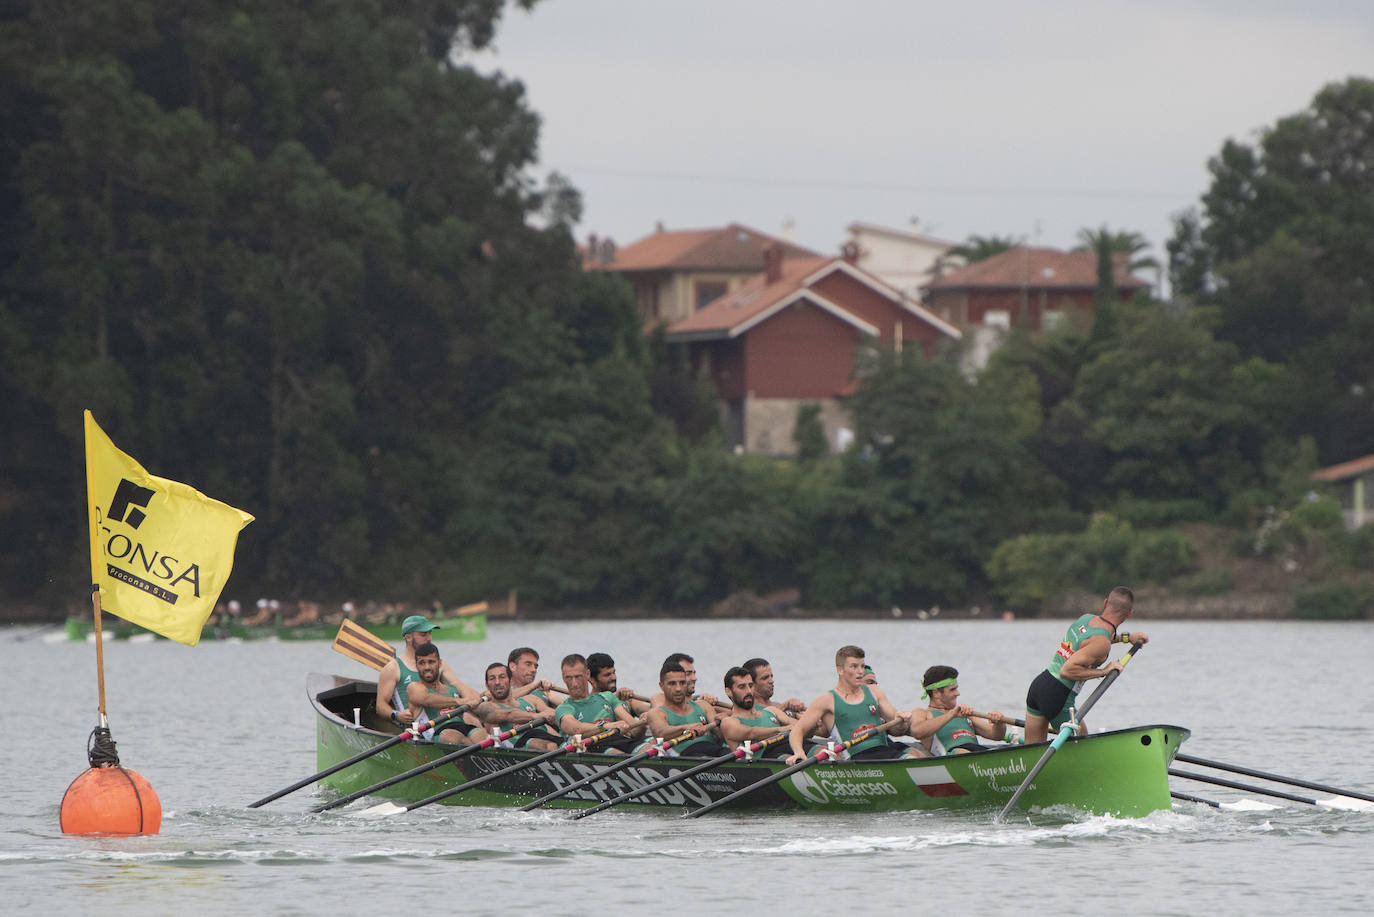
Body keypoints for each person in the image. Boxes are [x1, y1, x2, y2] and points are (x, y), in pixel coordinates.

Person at [1023, 586, 1149, 744]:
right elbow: (1066, 671)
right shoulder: (1102, 643)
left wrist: (1127, 637)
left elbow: (1096, 641)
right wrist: (1104, 671)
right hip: (1058, 696)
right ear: (1129, 613)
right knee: (1083, 747)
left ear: (1105, 604)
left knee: (1031, 753)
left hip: (1039, 685)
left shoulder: (1086, 619)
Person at [786, 645, 912, 764]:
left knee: (913, 757)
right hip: (856, 759)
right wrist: (799, 752)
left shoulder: (874, 692)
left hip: (884, 752)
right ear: (840, 670)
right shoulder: (827, 700)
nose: (860, 672)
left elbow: (897, 724)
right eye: (854, 666)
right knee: (909, 760)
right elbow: (797, 730)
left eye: (862, 666)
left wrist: (901, 718)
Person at [376, 615, 480, 726]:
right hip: (415, 727)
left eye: (430, 633)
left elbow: (458, 686)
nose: (429, 638)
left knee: (473, 719)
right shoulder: (393, 668)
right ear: (408, 637)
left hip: (443, 721)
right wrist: (396, 715)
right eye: (423, 634)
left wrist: (478, 698)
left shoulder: (440, 664)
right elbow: (380, 706)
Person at [553, 653, 643, 753]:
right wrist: (605, 726)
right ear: (563, 678)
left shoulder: (608, 697)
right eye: (568, 678)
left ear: (587, 674)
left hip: (617, 740)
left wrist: (644, 721)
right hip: (589, 746)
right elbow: (576, 729)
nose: (574, 683)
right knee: (616, 754)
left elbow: (635, 730)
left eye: (578, 677)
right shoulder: (564, 708)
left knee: (649, 746)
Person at [909, 665, 1006, 755]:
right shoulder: (922, 713)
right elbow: (917, 732)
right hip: (952, 756)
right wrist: (951, 715)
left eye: (957, 689)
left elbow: (996, 735)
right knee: (961, 752)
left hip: (976, 751)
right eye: (952, 690)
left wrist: (999, 723)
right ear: (936, 693)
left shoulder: (964, 713)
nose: (958, 693)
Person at [645, 661, 729, 757]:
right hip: (687, 755)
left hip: (716, 751)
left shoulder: (703, 705)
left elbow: (721, 735)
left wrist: (725, 723)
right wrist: (686, 728)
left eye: (682, 683)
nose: (678, 688)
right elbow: (661, 732)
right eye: (672, 684)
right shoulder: (657, 713)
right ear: (661, 686)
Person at [406, 643, 484, 744]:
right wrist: (459, 701)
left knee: (483, 735)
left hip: (462, 727)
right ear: (416, 666)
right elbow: (427, 700)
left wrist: (487, 696)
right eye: (422, 663)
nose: (427, 667)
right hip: (437, 732)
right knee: (452, 736)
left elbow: (476, 700)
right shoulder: (414, 687)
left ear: (440, 663)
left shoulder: (453, 688)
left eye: (431, 662)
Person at [477, 662, 560, 751]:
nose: (497, 682)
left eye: (502, 677)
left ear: (510, 681)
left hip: (545, 737)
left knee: (563, 742)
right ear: (487, 685)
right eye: (492, 679)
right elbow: (509, 714)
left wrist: (555, 702)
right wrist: (536, 716)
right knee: (550, 745)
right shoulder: (486, 707)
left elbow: (554, 714)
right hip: (519, 744)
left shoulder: (531, 699)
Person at [716, 665, 794, 757]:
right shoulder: (729, 722)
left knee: (809, 746)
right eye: (742, 687)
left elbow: (797, 724)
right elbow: (752, 732)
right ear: (728, 691)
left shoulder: (771, 711)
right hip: (765, 758)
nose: (748, 691)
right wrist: (781, 730)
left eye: (751, 686)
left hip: (789, 748)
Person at [506, 646, 561, 717]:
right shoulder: (502, 692)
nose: (533, 670)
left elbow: (567, 710)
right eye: (528, 664)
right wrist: (535, 685)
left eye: (535, 666)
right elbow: (506, 699)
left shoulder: (543, 692)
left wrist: (552, 697)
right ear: (513, 666)